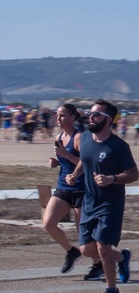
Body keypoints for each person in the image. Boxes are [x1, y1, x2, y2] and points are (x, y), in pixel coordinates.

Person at [65, 100, 137, 293]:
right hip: (90, 202)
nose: (91, 117)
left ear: (108, 120)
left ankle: (112, 290)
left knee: (103, 248)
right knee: (87, 250)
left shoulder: (119, 146)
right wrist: (75, 174)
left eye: (96, 115)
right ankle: (122, 258)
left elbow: (133, 174)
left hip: (110, 204)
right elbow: (84, 159)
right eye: (90, 113)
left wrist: (112, 179)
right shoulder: (86, 138)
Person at [42, 103, 91, 275]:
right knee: (48, 224)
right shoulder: (58, 137)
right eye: (57, 115)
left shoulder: (80, 137)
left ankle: (103, 261)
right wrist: (56, 162)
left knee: (83, 235)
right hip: (63, 187)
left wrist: (65, 155)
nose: (58, 118)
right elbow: (65, 163)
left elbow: (85, 163)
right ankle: (71, 252)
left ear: (72, 117)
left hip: (80, 189)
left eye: (62, 115)